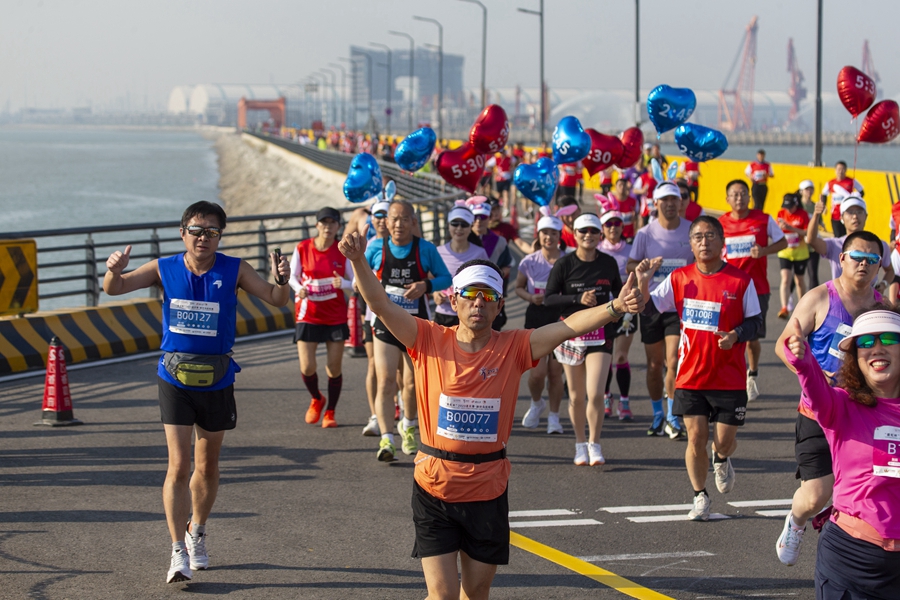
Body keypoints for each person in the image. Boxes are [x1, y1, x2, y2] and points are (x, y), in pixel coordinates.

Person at [339, 228, 645, 599]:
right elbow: (381, 305)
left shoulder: (514, 347)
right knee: (443, 594)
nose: (478, 305)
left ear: (500, 306)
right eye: (470, 296)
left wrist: (615, 307)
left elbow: (566, 327)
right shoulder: (428, 338)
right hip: (434, 485)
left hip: (487, 488)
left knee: (477, 591)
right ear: (454, 301)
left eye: (488, 297)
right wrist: (357, 260)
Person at [103, 201, 291, 583]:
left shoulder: (234, 269)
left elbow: (275, 299)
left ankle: (197, 532)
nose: (203, 237)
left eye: (211, 231)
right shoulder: (163, 267)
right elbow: (115, 289)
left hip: (217, 377)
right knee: (178, 465)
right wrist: (113, 271)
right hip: (174, 377)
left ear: (220, 236)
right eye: (196, 230)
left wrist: (283, 280)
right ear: (182, 232)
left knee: (206, 465)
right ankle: (176, 552)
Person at [773, 231, 884, 567]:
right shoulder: (820, 298)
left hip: (862, 416)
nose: (863, 264)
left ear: (880, 266)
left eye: (872, 259)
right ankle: (796, 520)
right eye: (857, 256)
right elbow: (782, 344)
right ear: (842, 259)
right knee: (816, 495)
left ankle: (851, 556)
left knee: (868, 491)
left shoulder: (881, 308)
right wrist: (813, 375)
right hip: (818, 411)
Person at [640, 215, 763, 521]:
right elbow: (650, 307)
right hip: (691, 376)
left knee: (723, 440)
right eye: (697, 237)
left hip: (730, 377)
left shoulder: (740, 281)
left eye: (710, 236)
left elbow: (756, 323)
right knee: (695, 437)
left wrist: (736, 335)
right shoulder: (680, 278)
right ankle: (700, 496)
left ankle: (721, 458)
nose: (704, 242)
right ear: (690, 244)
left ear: (722, 243)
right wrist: (643, 281)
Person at [783, 308, 900, 598]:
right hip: (850, 558)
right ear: (855, 358)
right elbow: (816, 391)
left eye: (887, 338)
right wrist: (804, 361)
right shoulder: (842, 405)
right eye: (865, 343)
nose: (877, 348)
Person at [365, 200, 452, 461]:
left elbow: (446, 278)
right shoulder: (376, 247)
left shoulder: (425, 249)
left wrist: (426, 285)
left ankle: (409, 425)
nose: (399, 224)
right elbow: (358, 273)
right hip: (385, 324)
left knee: (412, 384)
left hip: (415, 324)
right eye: (394, 218)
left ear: (413, 222)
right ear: (386, 222)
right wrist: (367, 289)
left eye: (405, 219)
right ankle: (386, 440)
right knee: (387, 380)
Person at [544, 212, 624, 465]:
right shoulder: (564, 264)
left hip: (601, 336)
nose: (588, 235)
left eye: (593, 231)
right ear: (575, 235)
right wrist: (577, 300)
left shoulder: (608, 263)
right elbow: (549, 298)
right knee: (577, 396)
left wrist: (616, 316)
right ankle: (580, 444)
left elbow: (620, 296)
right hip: (571, 334)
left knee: (596, 393)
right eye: (583, 231)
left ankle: (595, 443)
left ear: (600, 235)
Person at [627, 181, 695, 439]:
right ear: (655, 204)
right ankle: (657, 414)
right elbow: (630, 265)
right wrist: (644, 267)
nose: (669, 204)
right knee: (654, 365)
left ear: (681, 203)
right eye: (663, 200)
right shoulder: (645, 233)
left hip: (680, 305)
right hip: (651, 303)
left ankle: (671, 416)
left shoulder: (691, 231)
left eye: (674, 200)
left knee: (674, 361)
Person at [719, 179, 787, 401]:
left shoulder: (764, 219)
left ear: (750, 196)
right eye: (734, 195)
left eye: (743, 194)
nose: (739, 198)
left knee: (751, 338)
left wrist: (765, 251)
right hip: (727, 289)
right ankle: (730, 377)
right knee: (727, 335)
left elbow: (783, 243)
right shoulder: (720, 223)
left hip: (757, 288)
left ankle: (752, 375)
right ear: (728, 199)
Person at [289, 207, 354, 428]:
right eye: (323, 223)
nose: (328, 227)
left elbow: (356, 281)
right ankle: (317, 397)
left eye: (332, 223)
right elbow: (292, 275)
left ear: (338, 226)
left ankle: (331, 412)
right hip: (308, 315)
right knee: (307, 367)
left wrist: (343, 284)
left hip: (335, 317)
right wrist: (299, 289)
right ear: (317, 225)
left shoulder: (342, 251)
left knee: (333, 368)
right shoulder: (303, 247)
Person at [516, 210, 565, 434]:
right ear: (539, 234)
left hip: (561, 318)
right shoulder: (528, 261)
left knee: (556, 372)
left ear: (559, 235)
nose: (549, 237)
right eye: (545, 233)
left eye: (553, 233)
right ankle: (537, 403)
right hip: (535, 316)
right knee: (536, 373)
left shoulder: (568, 260)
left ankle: (554, 416)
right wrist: (529, 297)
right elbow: (518, 287)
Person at [598, 210, 635, 421]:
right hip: (604, 311)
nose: (613, 227)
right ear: (603, 228)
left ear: (623, 226)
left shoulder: (631, 251)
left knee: (620, 356)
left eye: (617, 223)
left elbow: (638, 278)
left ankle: (624, 400)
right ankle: (606, 396)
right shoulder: (597, 250)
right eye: (608, 223)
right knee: (605, 359)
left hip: (627, 310)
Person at [806, 195, 893, 285]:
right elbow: (811, 240)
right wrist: (816, 215)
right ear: (841, 218)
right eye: (850, 212)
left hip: (869, 298)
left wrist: (883, 284)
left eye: (859, 212)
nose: (855, 216)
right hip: (840, 298)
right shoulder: (834, 244)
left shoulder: (879, 245)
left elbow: (890, 270)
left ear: (866, 216)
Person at [360, 200, 392, 436]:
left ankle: (401, 410)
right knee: (374, 365)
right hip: (372, 315)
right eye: (377, 215)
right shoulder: (369, 245)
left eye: (386, 215)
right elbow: (355, 282)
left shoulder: (408, 244)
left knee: (400, 373)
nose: (381, 220)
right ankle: (375, 415)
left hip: (403, 315)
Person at [434, 203, 489, 327]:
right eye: (455, 223)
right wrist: (435, 293)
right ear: (448, 226)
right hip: (444, 313)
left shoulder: (480, 253)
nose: (459, 228)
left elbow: (486, 284)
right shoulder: (438, 252)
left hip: (470, 315)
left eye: (464, 224)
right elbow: (431, 279)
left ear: (470, 228)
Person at [470, 200, 513, 331]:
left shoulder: (499, 241)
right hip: (468, 296)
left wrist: (495, 276)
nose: (478, 221)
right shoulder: (462, 240)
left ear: (488, 218)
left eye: (482, 217)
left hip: (491, 295)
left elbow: (507, 266)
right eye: (475, 217)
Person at [776, 193, 811, 319]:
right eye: (786, 207)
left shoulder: (803, 214)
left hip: (800, 252)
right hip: (785, 251)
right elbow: (776, 232)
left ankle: (802, 306)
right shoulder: (781, 214)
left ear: (796, 204)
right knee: (785, 278)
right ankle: (784, 307)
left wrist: (791, 228)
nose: (788, 209)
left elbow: (806, 232)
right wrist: (780, 229)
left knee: (799, 280)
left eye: (790, 207)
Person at [821, 161, 864, 237]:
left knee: (849, 236)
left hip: (848, 215)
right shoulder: (831, 183)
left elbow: (861, 192)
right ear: (835, 170)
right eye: (838, 169)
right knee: (838, 236)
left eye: (842, 169)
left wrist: (854, 197)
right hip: (835, 215)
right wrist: (824, 205)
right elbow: (824, 194)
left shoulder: (851, 181)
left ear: (846, 170)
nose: (840, 171)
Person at [799, 180, 822, 288]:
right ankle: (788, 300)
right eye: (807, 189)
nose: (809, 191)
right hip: (800, 244)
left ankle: (814, 301)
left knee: (813, 274)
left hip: (812, 244)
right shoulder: (798, 206)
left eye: (811, 189)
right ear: (801, 191)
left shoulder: (815, 206)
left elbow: (819, 222)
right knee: (798, 275)